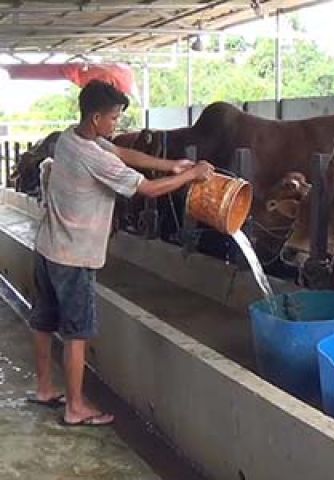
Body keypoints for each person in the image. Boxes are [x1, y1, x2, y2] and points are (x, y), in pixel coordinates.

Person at [28, 80, 214, 426]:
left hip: (47, 248)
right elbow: (150, 190)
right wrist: (192, 176)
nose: (117, 125)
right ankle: (75, 408)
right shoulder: (93, 159)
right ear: (97, 117)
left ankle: (44, 389)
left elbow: (120, 152)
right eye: (114, 119)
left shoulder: (70, 138)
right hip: (75, 257)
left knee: (43, 320)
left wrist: (171, 164)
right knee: (77, 332)